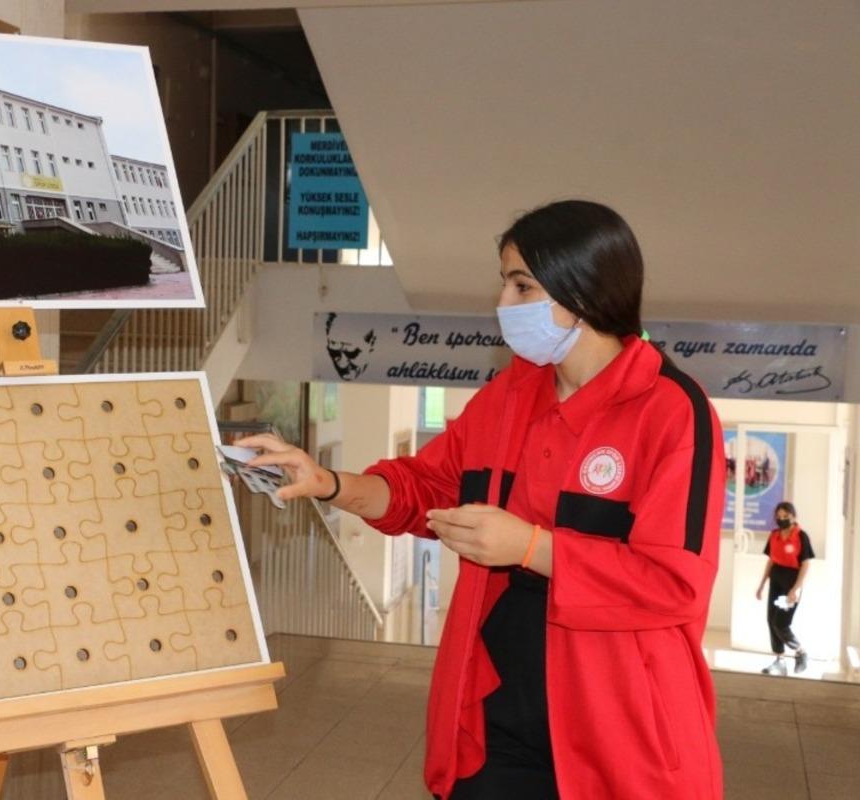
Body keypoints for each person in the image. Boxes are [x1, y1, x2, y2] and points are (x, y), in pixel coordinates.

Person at [238, 200, 725, 799]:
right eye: (504, 283)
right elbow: (425, 489)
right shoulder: (509, 395)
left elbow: (674, 584)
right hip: (497, 710)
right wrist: (329, 483)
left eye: (522, 285)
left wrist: (530, 547)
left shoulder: (672, 409)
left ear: (582, 290)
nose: (503, 304)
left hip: (616, 723)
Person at [756, 501, 813, 675]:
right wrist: (762, 584)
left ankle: (800, 652)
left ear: (793, 516)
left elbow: (805, 564)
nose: (782, 519)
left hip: (791, 583)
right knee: (770, 620)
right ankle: (779, 661)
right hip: (776, 581)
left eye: (785, 516)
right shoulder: (774, 535)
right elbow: (771, 560)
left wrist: (795, 589)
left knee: (780, 623)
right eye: (779, 517)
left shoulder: (801, 536)